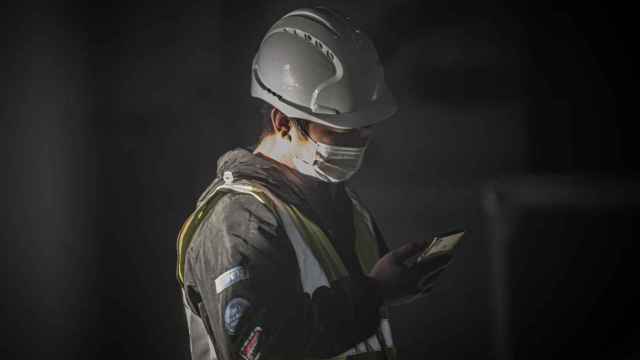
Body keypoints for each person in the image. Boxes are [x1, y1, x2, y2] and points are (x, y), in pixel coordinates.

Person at [176, 7, 452, 360]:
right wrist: (375, 292)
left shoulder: (345, 206)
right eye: (342, 129)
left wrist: (393, 285)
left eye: (366, 126)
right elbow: (261, 349)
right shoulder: (237, 223)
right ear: (283, 123)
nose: (360, 140)